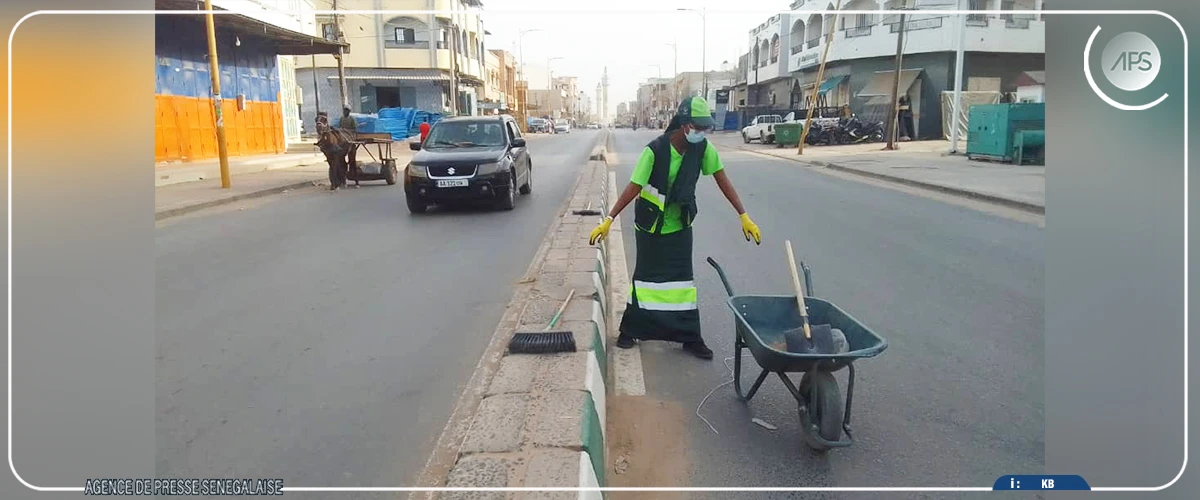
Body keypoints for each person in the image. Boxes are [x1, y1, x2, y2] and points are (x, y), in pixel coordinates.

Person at [588, 97, 762, 360]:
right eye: (697, 126)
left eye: (705, 128)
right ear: (683, 124)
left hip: (680, 225)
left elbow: (721, 179)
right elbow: (634, 186)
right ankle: (631, 330)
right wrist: (609, 220)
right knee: (645, 280)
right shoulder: (655, 150)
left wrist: (743, 215)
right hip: (650, 226)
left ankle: (689, 337)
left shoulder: (702, 149)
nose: (701, 132)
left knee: (682, 284)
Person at [315, 116, 349, 191]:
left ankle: (337, 182)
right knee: (332, 165)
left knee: (336, 165)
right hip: (328, 146)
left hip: (338, 144)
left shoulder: (351, 119)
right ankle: (335, 183)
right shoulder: (341, 119)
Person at [338, 107, 359, 183]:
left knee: (352, 160)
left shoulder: (352, 119)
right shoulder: (341, 118)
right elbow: (340, 127)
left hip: (350, 136)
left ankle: (355, 176)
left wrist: (347, 130)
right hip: (342, 135)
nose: (345, 112)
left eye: (346, 111)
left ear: (349, 111)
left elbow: (355, 129)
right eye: (344, 110)